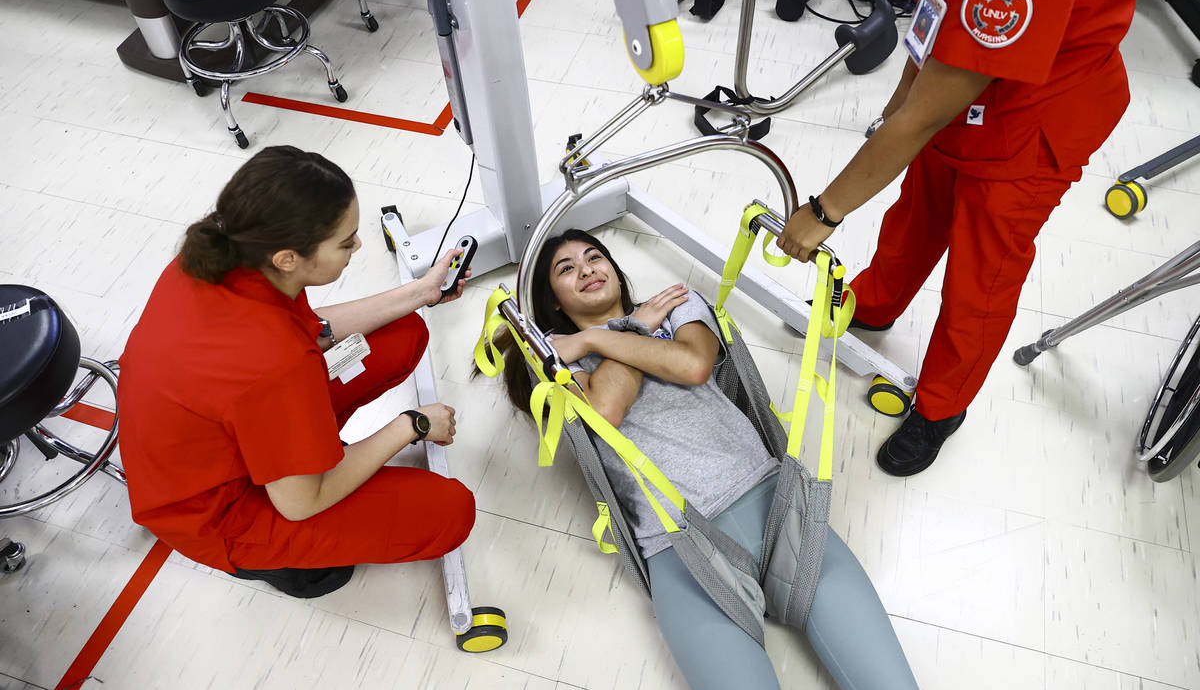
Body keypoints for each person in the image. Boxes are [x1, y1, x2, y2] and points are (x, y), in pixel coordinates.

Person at [777, 0, 1138, 476]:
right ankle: (876, 303)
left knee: (981, 274)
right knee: (918, 207)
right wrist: (901, 99)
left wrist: (822, 215)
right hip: (966, 86)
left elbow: (925, 116)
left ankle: (943, 406)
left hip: (1034, 122)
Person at [489, 229, 919, 690]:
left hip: (772, 503)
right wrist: (619, 332)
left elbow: (693, 365)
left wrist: (602, 339)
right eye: (567, 268)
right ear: (553, 302)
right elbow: (606, 410)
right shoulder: (553, 364)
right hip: (678, 546)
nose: (588, 269)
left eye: (595, 257)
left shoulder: (677, 303)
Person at [119, 146, 475, 598]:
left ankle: (304, 454)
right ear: (288, 257)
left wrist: (419, 292)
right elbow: (301, 503)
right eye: (346, 241)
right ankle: (286, 561)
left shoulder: (217, 260)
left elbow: (310, 329)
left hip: (222, 431)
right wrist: (412, 425)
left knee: (402, 332)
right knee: (449, 511)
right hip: (222, 512)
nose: (358, 246)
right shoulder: (275, 364)